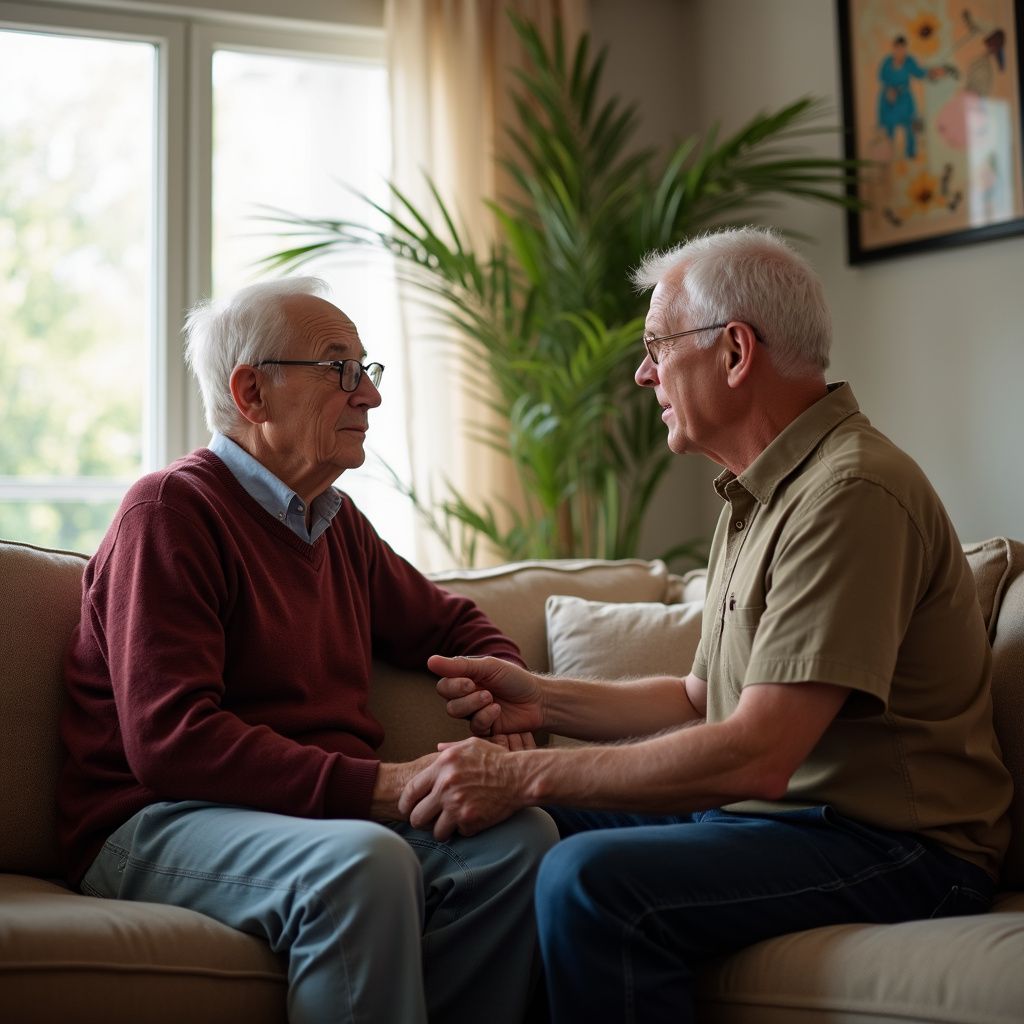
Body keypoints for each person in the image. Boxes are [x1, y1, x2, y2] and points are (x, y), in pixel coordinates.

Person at [399, 227, 1013, 1024]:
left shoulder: (852, 494)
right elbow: (700, 698)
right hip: (784, 821)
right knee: (511, 829)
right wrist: (541, 703)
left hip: (904, 849)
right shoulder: (756, 490)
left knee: (589, 879)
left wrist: (523, 771)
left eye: (657, 345)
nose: (642, 371)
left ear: (733, 352)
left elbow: (759, 751)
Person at [56, 277, 558, 1024]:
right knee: (364, 862)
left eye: (368, 370)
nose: (370, 397)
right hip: (155, 819)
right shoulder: (169, 512)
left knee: (520, 841)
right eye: (339, 370)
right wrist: (383, 786)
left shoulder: (335, 524)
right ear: (251, 392)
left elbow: (453, 625)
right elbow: (174, 743)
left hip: (311, 821)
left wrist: (507, 697)